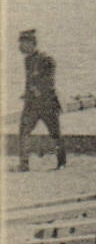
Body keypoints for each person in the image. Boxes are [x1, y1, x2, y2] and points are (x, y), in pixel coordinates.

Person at [16, 29, 66, 171]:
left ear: (32, 43)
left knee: (55, 132)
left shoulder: (46, 59)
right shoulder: (27, 60)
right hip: (31, 104)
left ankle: (61, 163)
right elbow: (30, 80)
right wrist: (26, 93)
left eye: (23, 43)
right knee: (23, 131)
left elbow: (49, 80)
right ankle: (24, 164)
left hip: (47, 103)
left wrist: (38, 90)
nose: (20, 47)